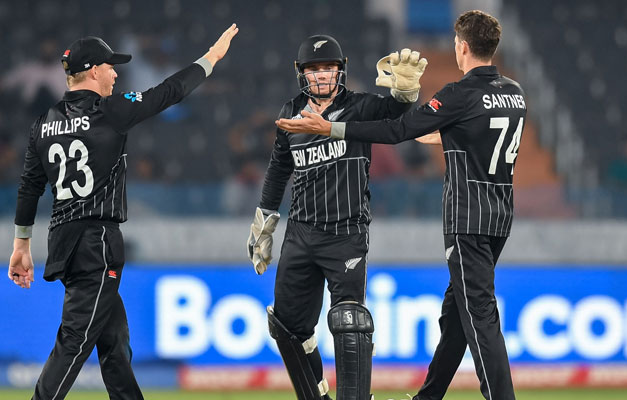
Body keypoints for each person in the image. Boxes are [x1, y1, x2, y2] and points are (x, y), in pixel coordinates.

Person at [277, 10, 523, 400]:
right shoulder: (514, 92)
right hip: (501, 215)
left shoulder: (460, 94)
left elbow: (397, 130)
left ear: (461, 47)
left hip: (468, 218)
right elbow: (477, 136)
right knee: (456, 317)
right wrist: (440, 132)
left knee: (479, 319)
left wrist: (332, 127)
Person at [7, 24, 239, 400]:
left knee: (114, 345)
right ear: (94, 70)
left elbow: (30, 186)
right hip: (96, 242)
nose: (116, 73)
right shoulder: (110, 112)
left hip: (63, 241)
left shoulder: (43, 123)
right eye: (111, 67)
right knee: (75, 340)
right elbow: (169, 92)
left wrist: (21, 244)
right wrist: (211, 58)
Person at [246, 34, 427, 400]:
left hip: (346, 233)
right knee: (286, 327)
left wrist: (405, 94)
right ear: (300, 74)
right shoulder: (288, 113)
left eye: (328, 68)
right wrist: (264, 223)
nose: (322, 76)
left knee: (350, 321)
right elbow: (278, 170)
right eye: (314, 70)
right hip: (300, 233)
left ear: (341, 71)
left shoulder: (359, 107)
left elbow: (395, 113)